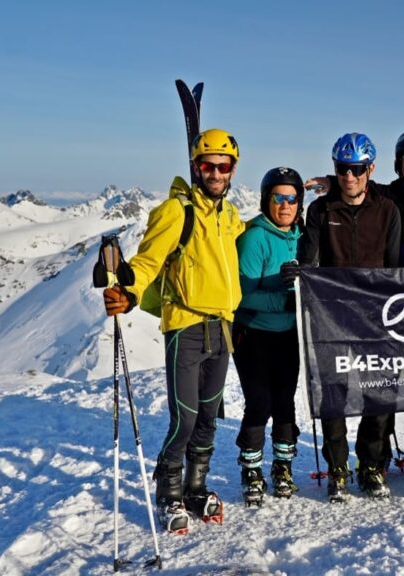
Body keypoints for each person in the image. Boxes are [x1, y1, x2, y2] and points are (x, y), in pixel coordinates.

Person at [103, 128, 244, 534]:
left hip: (222, 328)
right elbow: (148, 261)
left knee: (209, 418)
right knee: (185, 418)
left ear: (233, 170)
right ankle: (168, 491)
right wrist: (128, 293)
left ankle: (195, 486)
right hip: (186, 326)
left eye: (224, 165)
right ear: (196, 168)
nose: (216, 172)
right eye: (208, 165)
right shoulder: (176, 212)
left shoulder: (229, 214)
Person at [298, 132, 402, 502]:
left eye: (357, 169)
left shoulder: (387, 209)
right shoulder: (321, 210)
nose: (349, 176)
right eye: (343, 168)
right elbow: (310, 258)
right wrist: (301, 270)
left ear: (370, 169)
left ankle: (371, 466)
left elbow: (393, 266)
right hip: (333, 315)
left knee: (379, 396)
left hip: (376, 318)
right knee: (335, 396)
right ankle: (338, 468)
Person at [232, 167, 304, 506]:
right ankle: (251, 470)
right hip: (253, 334)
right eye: (279, 198)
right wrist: (284, 297)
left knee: (285, 402)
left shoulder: (301, 237)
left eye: (292, 198)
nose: (286, 204)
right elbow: (239, 295)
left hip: (288, 334)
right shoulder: (254, 238)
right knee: (260, 403)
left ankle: (283, 467)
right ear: (266, 200)